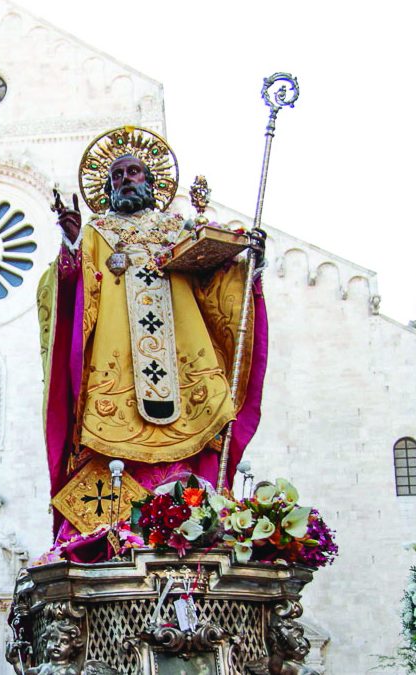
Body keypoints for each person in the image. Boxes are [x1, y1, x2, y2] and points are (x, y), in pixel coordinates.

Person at [38, 126, 268, 546]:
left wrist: (248, 262)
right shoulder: (96, 233)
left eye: (135, 173)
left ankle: (198, 526)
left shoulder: (182, 229)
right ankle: (113, 536)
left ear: (153, 182)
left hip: (185, 365)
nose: (126, 180)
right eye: (118, 176)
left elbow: (216, 291)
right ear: (108, 189)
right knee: (113, 446)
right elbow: (70, 294)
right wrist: (71, 244)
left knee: (198, 437)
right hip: (116, 369)